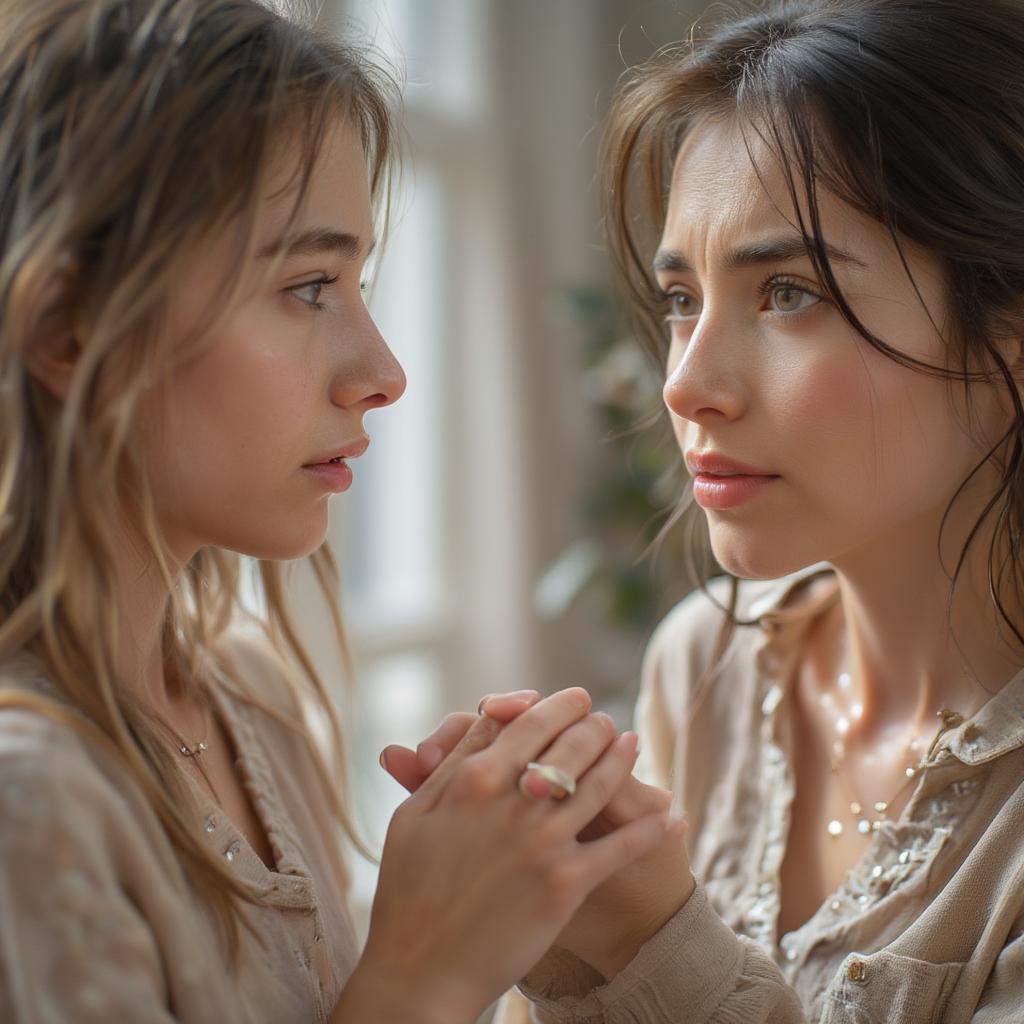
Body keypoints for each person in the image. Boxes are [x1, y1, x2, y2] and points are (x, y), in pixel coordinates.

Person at [0, 1, 684, 1020]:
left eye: (358, 280)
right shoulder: (28, 801)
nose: (385, 372)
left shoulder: (252, 700)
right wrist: (426, 968)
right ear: (67, 331)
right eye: (310, 286)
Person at [388, 1, 1024, 1020]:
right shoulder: (708, 669)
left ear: (1007, 332)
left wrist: (651, 945)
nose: (685, 384)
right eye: (682, 300)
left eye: (787, 293)